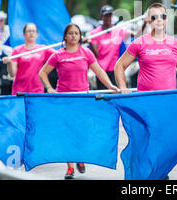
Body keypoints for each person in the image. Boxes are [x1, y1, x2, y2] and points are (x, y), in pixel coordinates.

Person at [38, 23, 119, 179]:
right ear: (65, 37)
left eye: (77, 33)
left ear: (80, 36)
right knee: (67, 132)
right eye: (71, 33)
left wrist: (110, 86)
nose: (74, 35)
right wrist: (49, 88)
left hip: (83, 98)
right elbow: (42, 73)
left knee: (82, 131)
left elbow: (99, 71)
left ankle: (80, 158)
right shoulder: (58, 55)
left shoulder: (86, 53)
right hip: (65, 99)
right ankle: (69, 168)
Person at [114, 3, 177, 93]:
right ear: (149, 20)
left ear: (166, 19)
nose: (159, 19)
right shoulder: (139, 43)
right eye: (154, 17)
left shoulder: (176, 44)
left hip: (169, 98)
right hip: (146, 99)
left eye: (163, 16)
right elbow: (119, 66)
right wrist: (123, 87)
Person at [2, 23, 55, 95]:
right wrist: (9, 63)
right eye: (29, 31)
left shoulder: (44, 49)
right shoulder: (17, 50)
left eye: (34, 31)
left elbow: (59, 55)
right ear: (24, 35)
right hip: (20, 90)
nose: (31, 33)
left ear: (37, 34)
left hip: (37, 90)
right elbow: (12, 74)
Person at [88, 5, 130, 90]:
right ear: (101, 16)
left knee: (116, 93)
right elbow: (96, 55)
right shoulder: (95, 33)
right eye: (105, 15)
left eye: (109, 15)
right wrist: (90, 43)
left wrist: (145, 23)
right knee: (103, 95)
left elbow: (136, 34)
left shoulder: (118, 30)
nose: (107, 18)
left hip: (115, 70)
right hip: (101, 71)